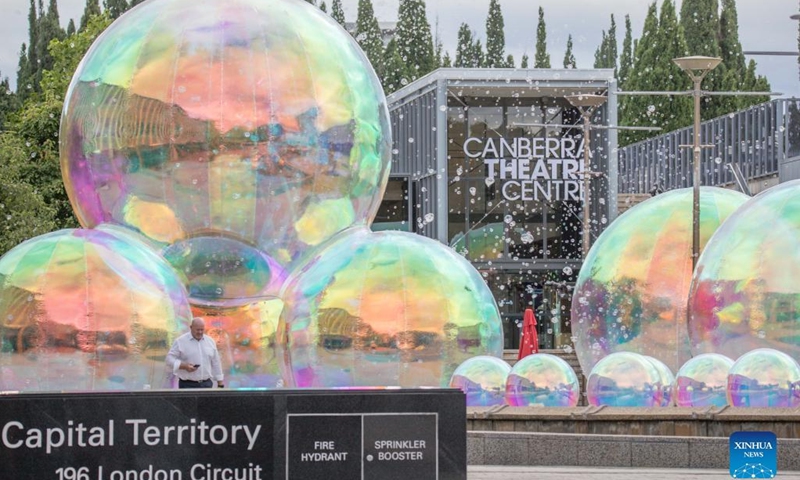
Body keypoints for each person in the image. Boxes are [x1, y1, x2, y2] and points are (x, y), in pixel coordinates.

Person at [166, 317, 225, 389]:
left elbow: (216, 362)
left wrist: (220, 383)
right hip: (187, 385)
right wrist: (184, 366)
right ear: (191, 327)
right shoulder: (180, 341)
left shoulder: (210, 341)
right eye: (197, 330)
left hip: (207, 384)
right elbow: (169, 359)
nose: (200, 332)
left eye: (202, 330)